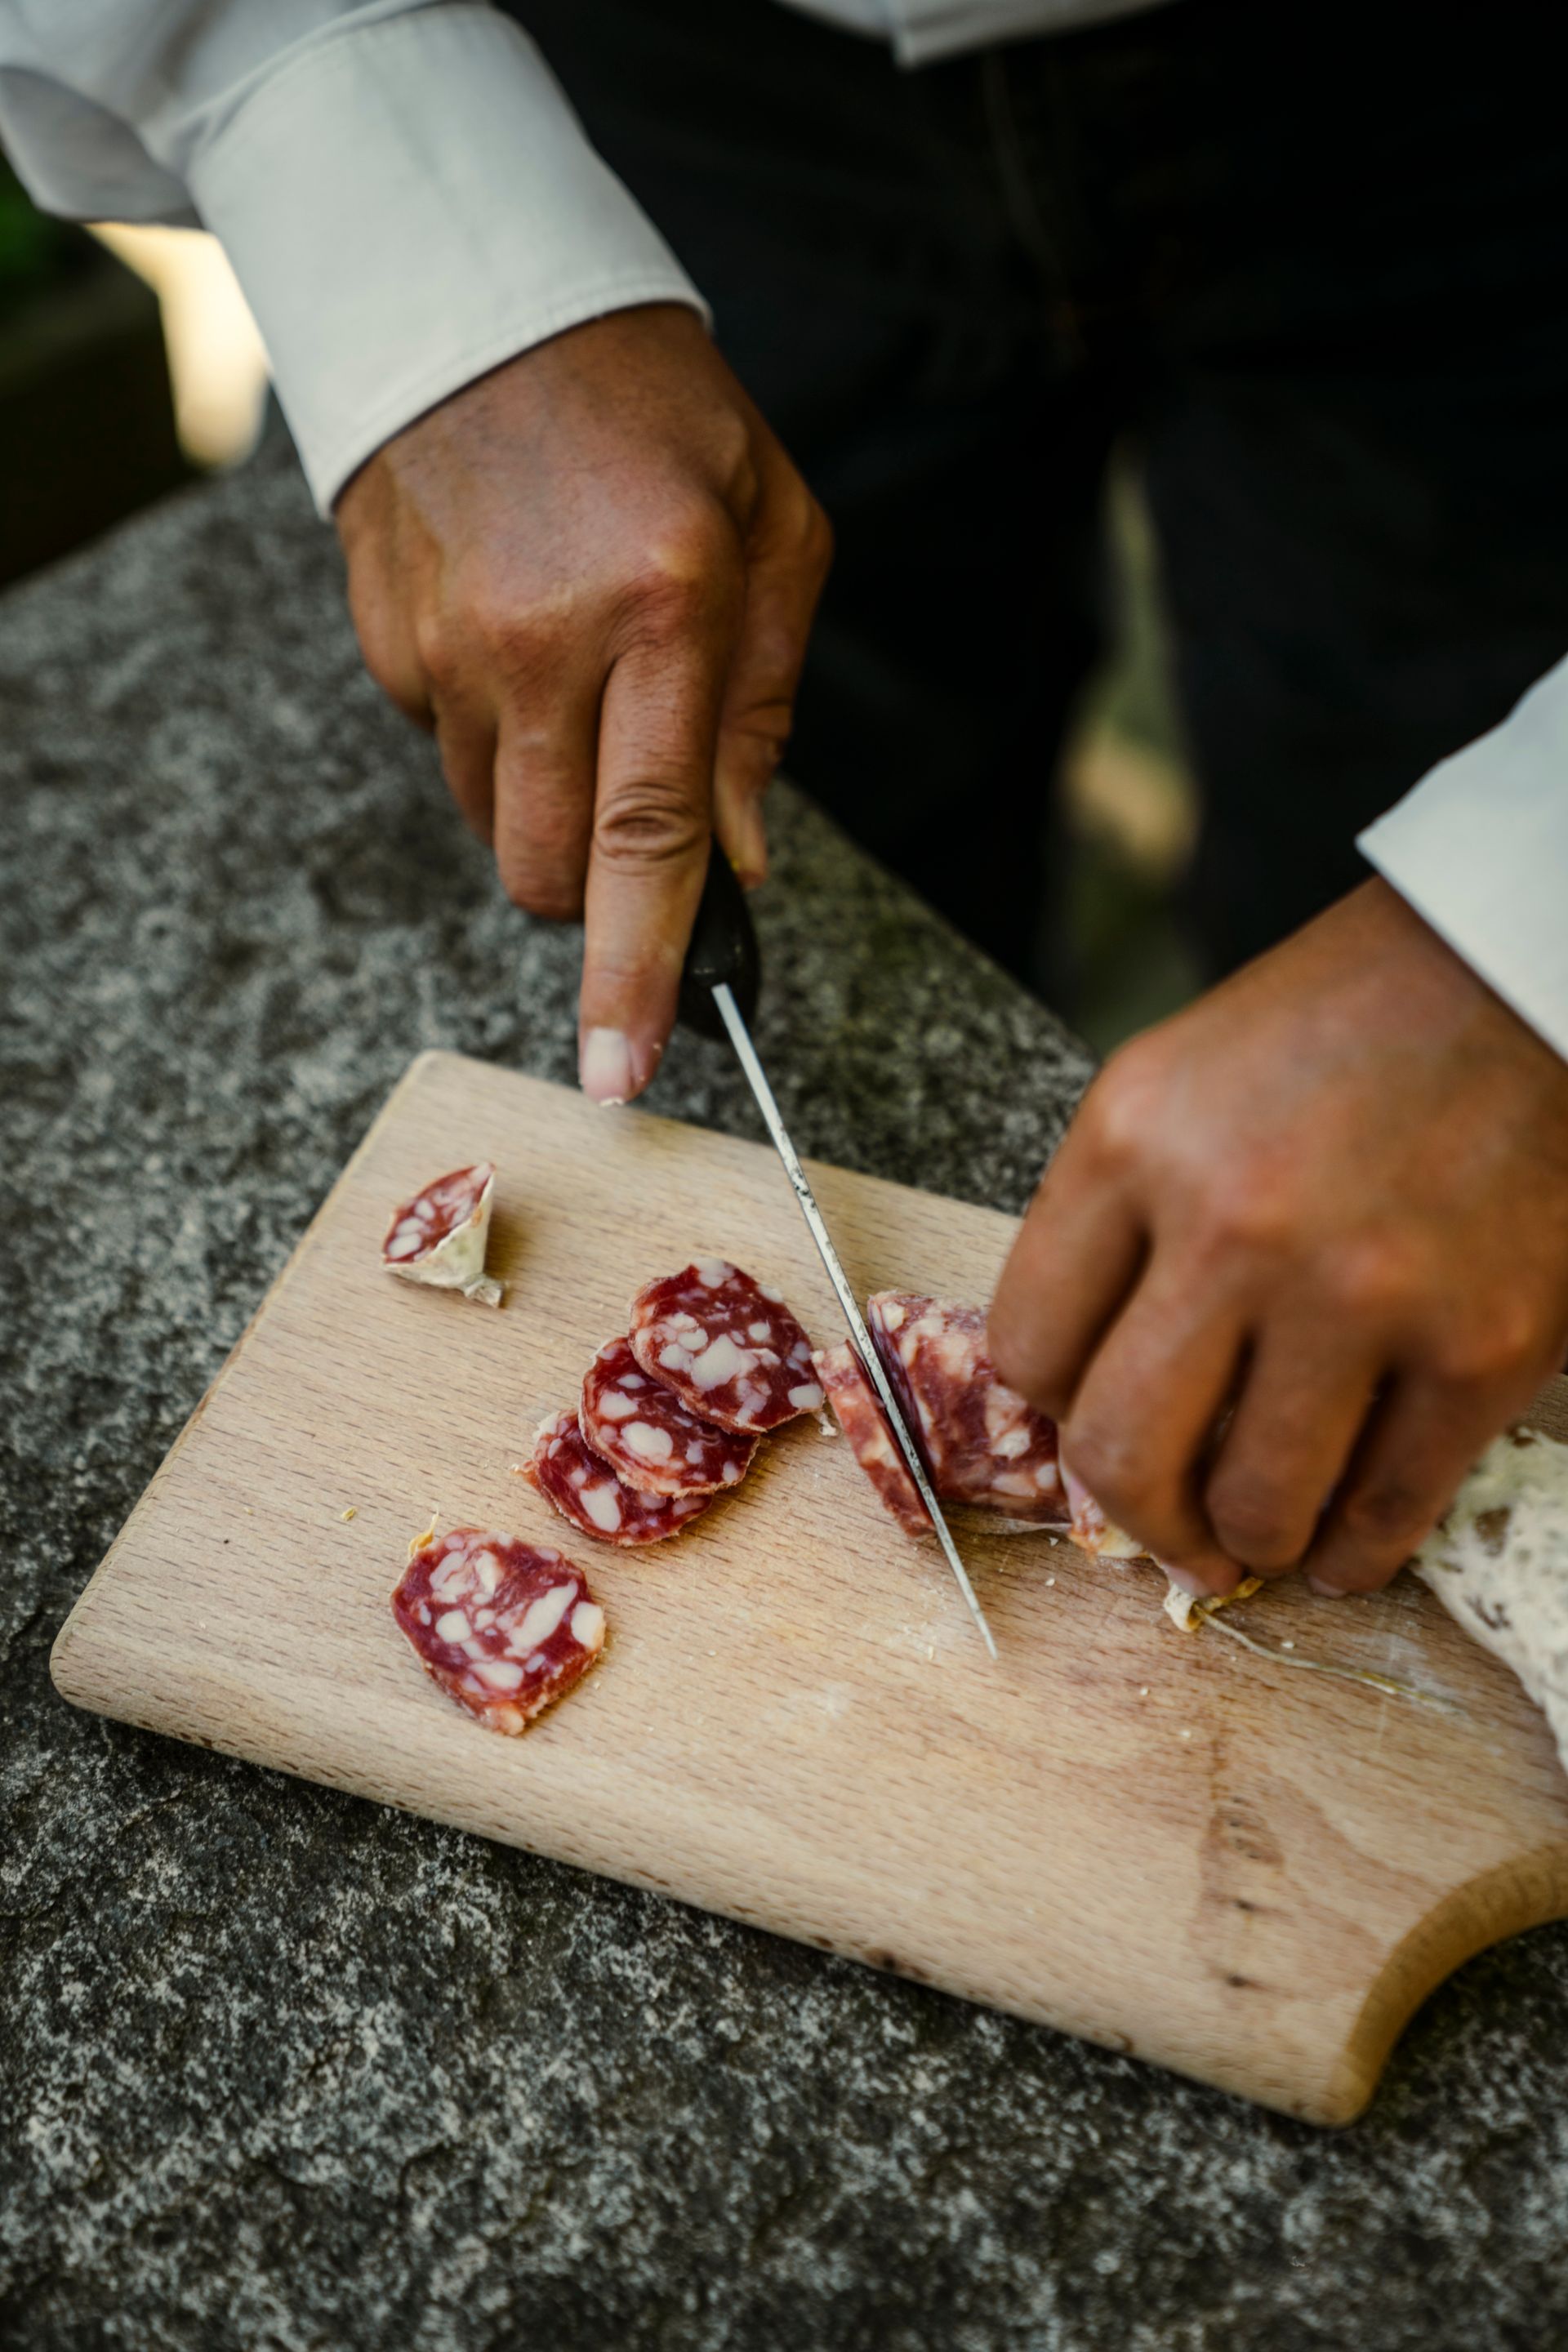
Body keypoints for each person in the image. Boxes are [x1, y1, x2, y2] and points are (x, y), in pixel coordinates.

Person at [4, 0, 1567, 1609]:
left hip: (1486, 124)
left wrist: (1526, 952)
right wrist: (369, 161)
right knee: (792, 829)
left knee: (1404, 1198)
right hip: (640, 85)